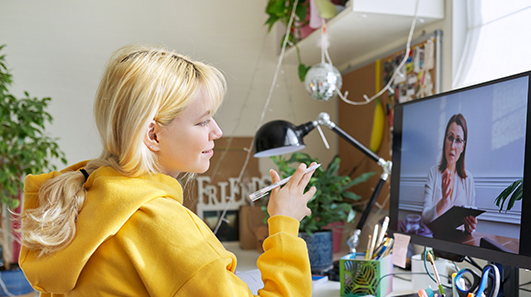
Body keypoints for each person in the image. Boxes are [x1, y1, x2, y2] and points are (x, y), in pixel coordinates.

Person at [18, 45, 317, 296]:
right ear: (153, 135)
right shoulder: (159, 222)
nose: (217, 131)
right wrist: (285, 223)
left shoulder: (88, 199)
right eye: (202, 121)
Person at [421, 113, 477, 233]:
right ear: (445, 140)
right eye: (450, 138)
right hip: (435, 243)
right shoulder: (433, 173)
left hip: (458, 246)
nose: (452, 146)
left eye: (458, 140)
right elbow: (425, 218)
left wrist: (470, 227)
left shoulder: (468, 179)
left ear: (463, 146)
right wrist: (444, 201)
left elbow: (471, 230)